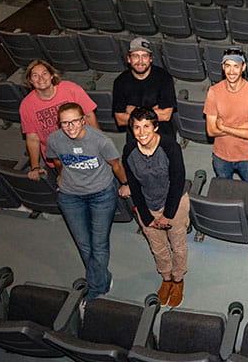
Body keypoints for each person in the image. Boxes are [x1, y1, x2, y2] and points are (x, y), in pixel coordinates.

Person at [47, 102, 127, 299]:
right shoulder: (54, 140)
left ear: (83, 120)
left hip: (101, 193)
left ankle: (96, 288)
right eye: (65, 123)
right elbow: (57, 160)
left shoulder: (100, 140)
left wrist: (125, 183)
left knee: (98, 243)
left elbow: (116, 165)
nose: (70, 127)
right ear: (59, 124)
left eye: (75, 121)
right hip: (70, 195)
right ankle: (101, 278)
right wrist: (60, 175)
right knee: (84, 244)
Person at [121, 107, 190, 307]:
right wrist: (146, 216)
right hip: (147, 205)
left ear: (156, 127)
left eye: (146, 127)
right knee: (158, 247)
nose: (141, 132)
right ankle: (166, 277)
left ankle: (178, 280)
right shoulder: (129, 150)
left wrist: (167, 215)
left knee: (178, 245)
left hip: (174, 204)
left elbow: (177, 182)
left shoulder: (170, 147)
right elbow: (134, 185)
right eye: (136, 127)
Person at [18, 59, 97, 178]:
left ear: (51, 76)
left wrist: (100, 143)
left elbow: (90, 116)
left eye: (44, 73)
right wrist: (35, 166)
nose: (41, 78)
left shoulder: (70, 89)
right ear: (30, 80)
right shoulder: (26, 105)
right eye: (35, 75)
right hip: (57, 158)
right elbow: (32, 138)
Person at [203, 48, 248, 182]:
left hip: (247, 155)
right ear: (223, 67)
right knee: (225, 193)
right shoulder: (213, 92)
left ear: (243, 67)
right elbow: (211, 131)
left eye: (236, 66)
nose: (231, 71)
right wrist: (242, 128)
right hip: (221, 155)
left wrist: (224, 127)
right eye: (228, 66)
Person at [112, 38, 177, 143]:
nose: (140, 61)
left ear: (150, 59)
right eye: (135, 56)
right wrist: (154, 111)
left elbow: (166, 116)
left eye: (144, 56)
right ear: (128, 59)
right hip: (135, 138)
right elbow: (120, 119)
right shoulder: (120, 82)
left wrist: (133, 111)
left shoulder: (164, 78)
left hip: (162, 135)